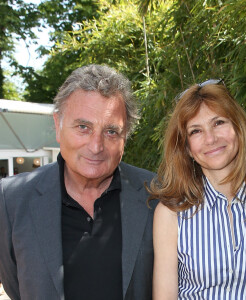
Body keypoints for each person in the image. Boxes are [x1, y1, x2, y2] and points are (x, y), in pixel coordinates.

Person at [0, 64, 158, 300]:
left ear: (125, 137)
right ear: (58, 125)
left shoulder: (156, 194)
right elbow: (16, 287)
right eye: (83, 127)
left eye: (111, 132)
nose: (96, 146)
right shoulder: (11, 199)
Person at [149, 80, 246, 299]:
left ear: (239, 128)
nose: (210, 138)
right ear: (187, 149)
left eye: (219, 122)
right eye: (196, 131)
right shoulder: (171, 214)